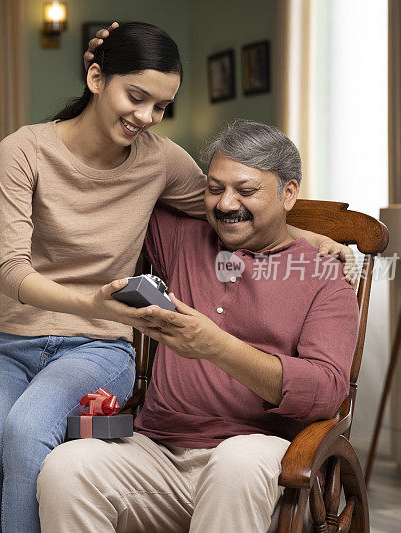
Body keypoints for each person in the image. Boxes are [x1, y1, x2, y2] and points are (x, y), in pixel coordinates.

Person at [0, 22, 351, 533]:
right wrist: (99, 304)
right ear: (96, 77)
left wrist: (306, 235)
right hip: (34, 354)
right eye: (136, 96)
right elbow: (18, 265)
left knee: (30, 430)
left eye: (159, 106)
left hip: (121, 363)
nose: (146, 117)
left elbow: (323, 388)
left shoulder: (317, 270)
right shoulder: (173, 229)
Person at [36, 120, 359, 532]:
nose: (225, 205)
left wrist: (215, 345)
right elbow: (124, 178)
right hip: (157, 450)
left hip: (258, 460)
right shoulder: (183, 238)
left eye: (245, 191)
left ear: (288, 193)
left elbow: (325, 390)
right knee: (68, 467)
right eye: (214, 188)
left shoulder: (325, 278)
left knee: (236, 462)